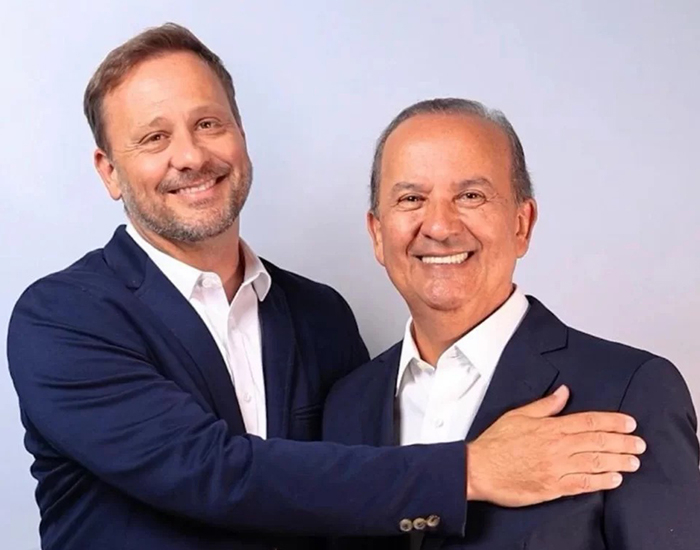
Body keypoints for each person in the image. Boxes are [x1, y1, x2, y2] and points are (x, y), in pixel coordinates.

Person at [8, 25, 646, 550]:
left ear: (241, 137)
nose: (191, 156)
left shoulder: (319, 317)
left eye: (208, 124)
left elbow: (350, 500)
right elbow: (209, 471)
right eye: (154, 137)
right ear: (109, 172)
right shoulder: (62, 318)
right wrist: (470, 470)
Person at [323, 97, 700, 549]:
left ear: (522, 224)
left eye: (470, 196)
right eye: (411, 199)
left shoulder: (631, 391)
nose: (439, 226)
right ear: (378, 234)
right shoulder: (346, 404)